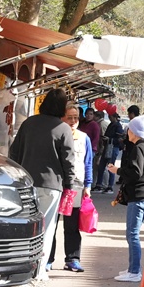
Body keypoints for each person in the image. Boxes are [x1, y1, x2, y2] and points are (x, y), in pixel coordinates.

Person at [8, 88, 74, 281]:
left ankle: (20, 266)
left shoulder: (28, 123)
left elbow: (13, 152)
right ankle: (38, 270)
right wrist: (69, 185)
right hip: (51, 185)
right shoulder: (63, 129)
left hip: (26, 183)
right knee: (46, 227)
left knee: (26, 225)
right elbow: (68, 161)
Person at [112, 114, 144, 284]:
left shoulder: (139, 148)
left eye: (129, 129)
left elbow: (135, 173)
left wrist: (118, 171)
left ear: (134, 131)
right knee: (133, 233)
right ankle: (133, 268)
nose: (127, 132)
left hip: (138, 196)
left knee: (132, 234)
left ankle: (134, 271)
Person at [48, 104, 93, 272]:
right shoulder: (54, 135)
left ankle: (72, 259)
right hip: (56, 185)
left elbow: (88, 163)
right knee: (51, 224)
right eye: (70, 117)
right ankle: (48, 259)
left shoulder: (84, 138)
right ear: (62, 118)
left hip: (76, 187)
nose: (73, 121)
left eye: (76, 117)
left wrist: (88, 185)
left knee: (72, 225)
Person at [95, 112, 124, 192]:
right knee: (101, 166)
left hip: (113, 147)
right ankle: (99, 184)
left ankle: (110, 186)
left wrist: (109, 139)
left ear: (114, 117)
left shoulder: (118, 126)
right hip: (107, 147)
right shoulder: (111, 124)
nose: (109, 118)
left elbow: (119, 139)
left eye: (110, 117)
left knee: (110, 166)